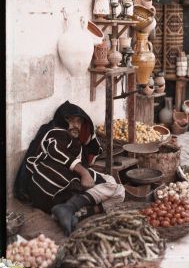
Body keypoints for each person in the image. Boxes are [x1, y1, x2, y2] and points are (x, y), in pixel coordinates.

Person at [14, 101, 125, 236]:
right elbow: (56, 150)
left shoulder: (75, 144)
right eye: (70, 120)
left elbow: (79, 162)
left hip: (63, 192)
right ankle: (71, 207)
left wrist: (87, 174)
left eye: (79, 121)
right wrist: (84, 172)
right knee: (112, 186)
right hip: (49, 184)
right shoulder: (56, 132)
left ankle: (75, 213)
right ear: (62, 121)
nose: (75, 125)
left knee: (119, 191)